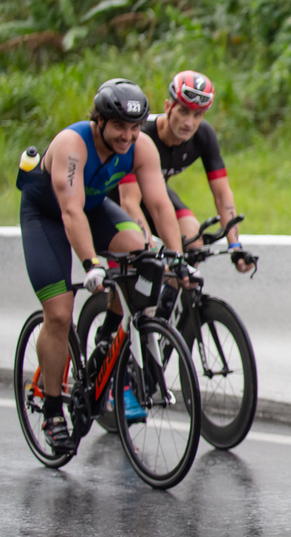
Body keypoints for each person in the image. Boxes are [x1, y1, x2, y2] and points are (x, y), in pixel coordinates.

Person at [17, 78, 189, 453]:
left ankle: (108, 336)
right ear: (99, 122)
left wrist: (177, 256)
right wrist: (91, 263)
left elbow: (159, 205)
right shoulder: (72, 145)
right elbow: (70, 210)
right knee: (59, 315)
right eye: (119, 128)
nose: (127, 136)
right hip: (47, 217)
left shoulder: (141, 146)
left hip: (93, 211)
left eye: (134, 127)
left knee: (142, 255)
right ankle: (51, 411)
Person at [110, 70, 254, 272]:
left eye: (198, 115)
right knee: (137, 265)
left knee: (193, 243)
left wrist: (235, 246)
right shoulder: (141, 136)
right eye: (183, 112)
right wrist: (147, 248)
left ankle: (173, 297)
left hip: (154, 192)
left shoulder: (203, 135)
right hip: (117, 198)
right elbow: (129, 201)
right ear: (168, 107)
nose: (189, 123)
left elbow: (222, 194)